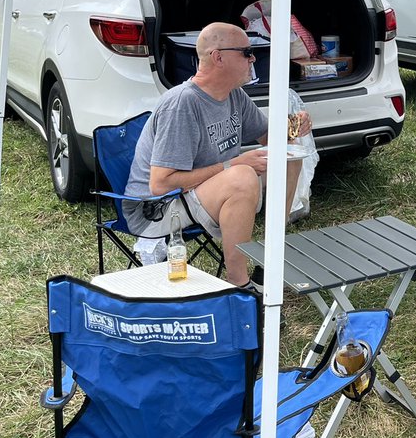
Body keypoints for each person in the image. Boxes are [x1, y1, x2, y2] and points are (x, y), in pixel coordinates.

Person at [124, 22, 308, 288]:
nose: (253, 58)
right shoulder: (183, 103)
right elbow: (160, 183)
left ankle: (269, 259)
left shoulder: (234, 95)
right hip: (158, 208)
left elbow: (272, 139)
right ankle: (239, 286)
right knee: (241, 176)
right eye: (246, 52)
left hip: (199, 191)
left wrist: (295, 126)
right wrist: (232, 164)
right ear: (218, 57)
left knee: (289, 157)